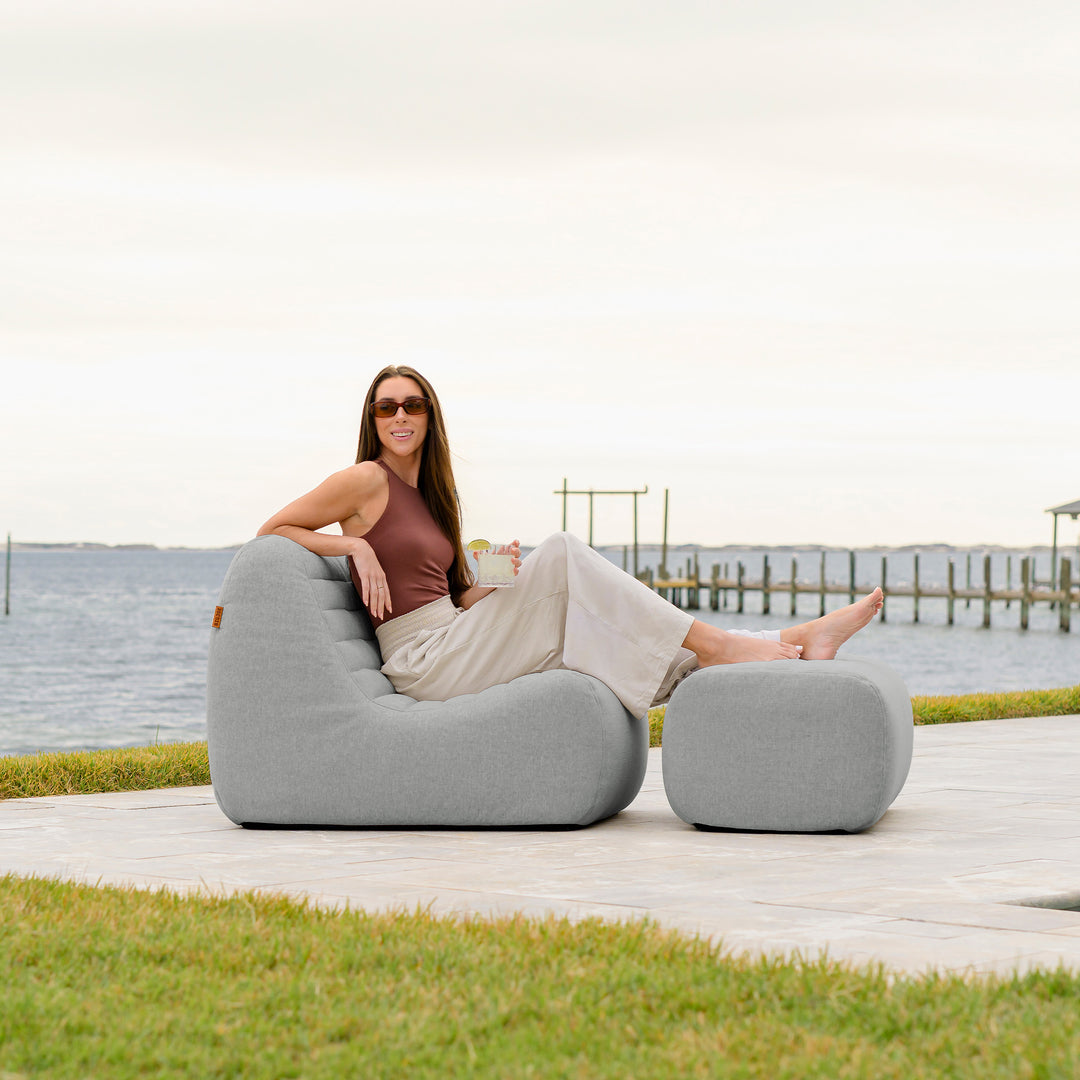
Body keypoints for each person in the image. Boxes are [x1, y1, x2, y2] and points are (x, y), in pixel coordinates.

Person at [258, 365, 883, 718]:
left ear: (429, 417)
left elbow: (452, 599)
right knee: (563, 552)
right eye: (386, 407)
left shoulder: (432, 498)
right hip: (422, 663)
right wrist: (353, 548)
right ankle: (722, 644)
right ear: (371, 418)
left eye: (413, 406)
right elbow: (272, 530)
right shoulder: (363, 480)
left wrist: (502, 583)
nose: (399, 417)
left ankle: (787, 642)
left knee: (575, 602)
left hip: (451, 636)